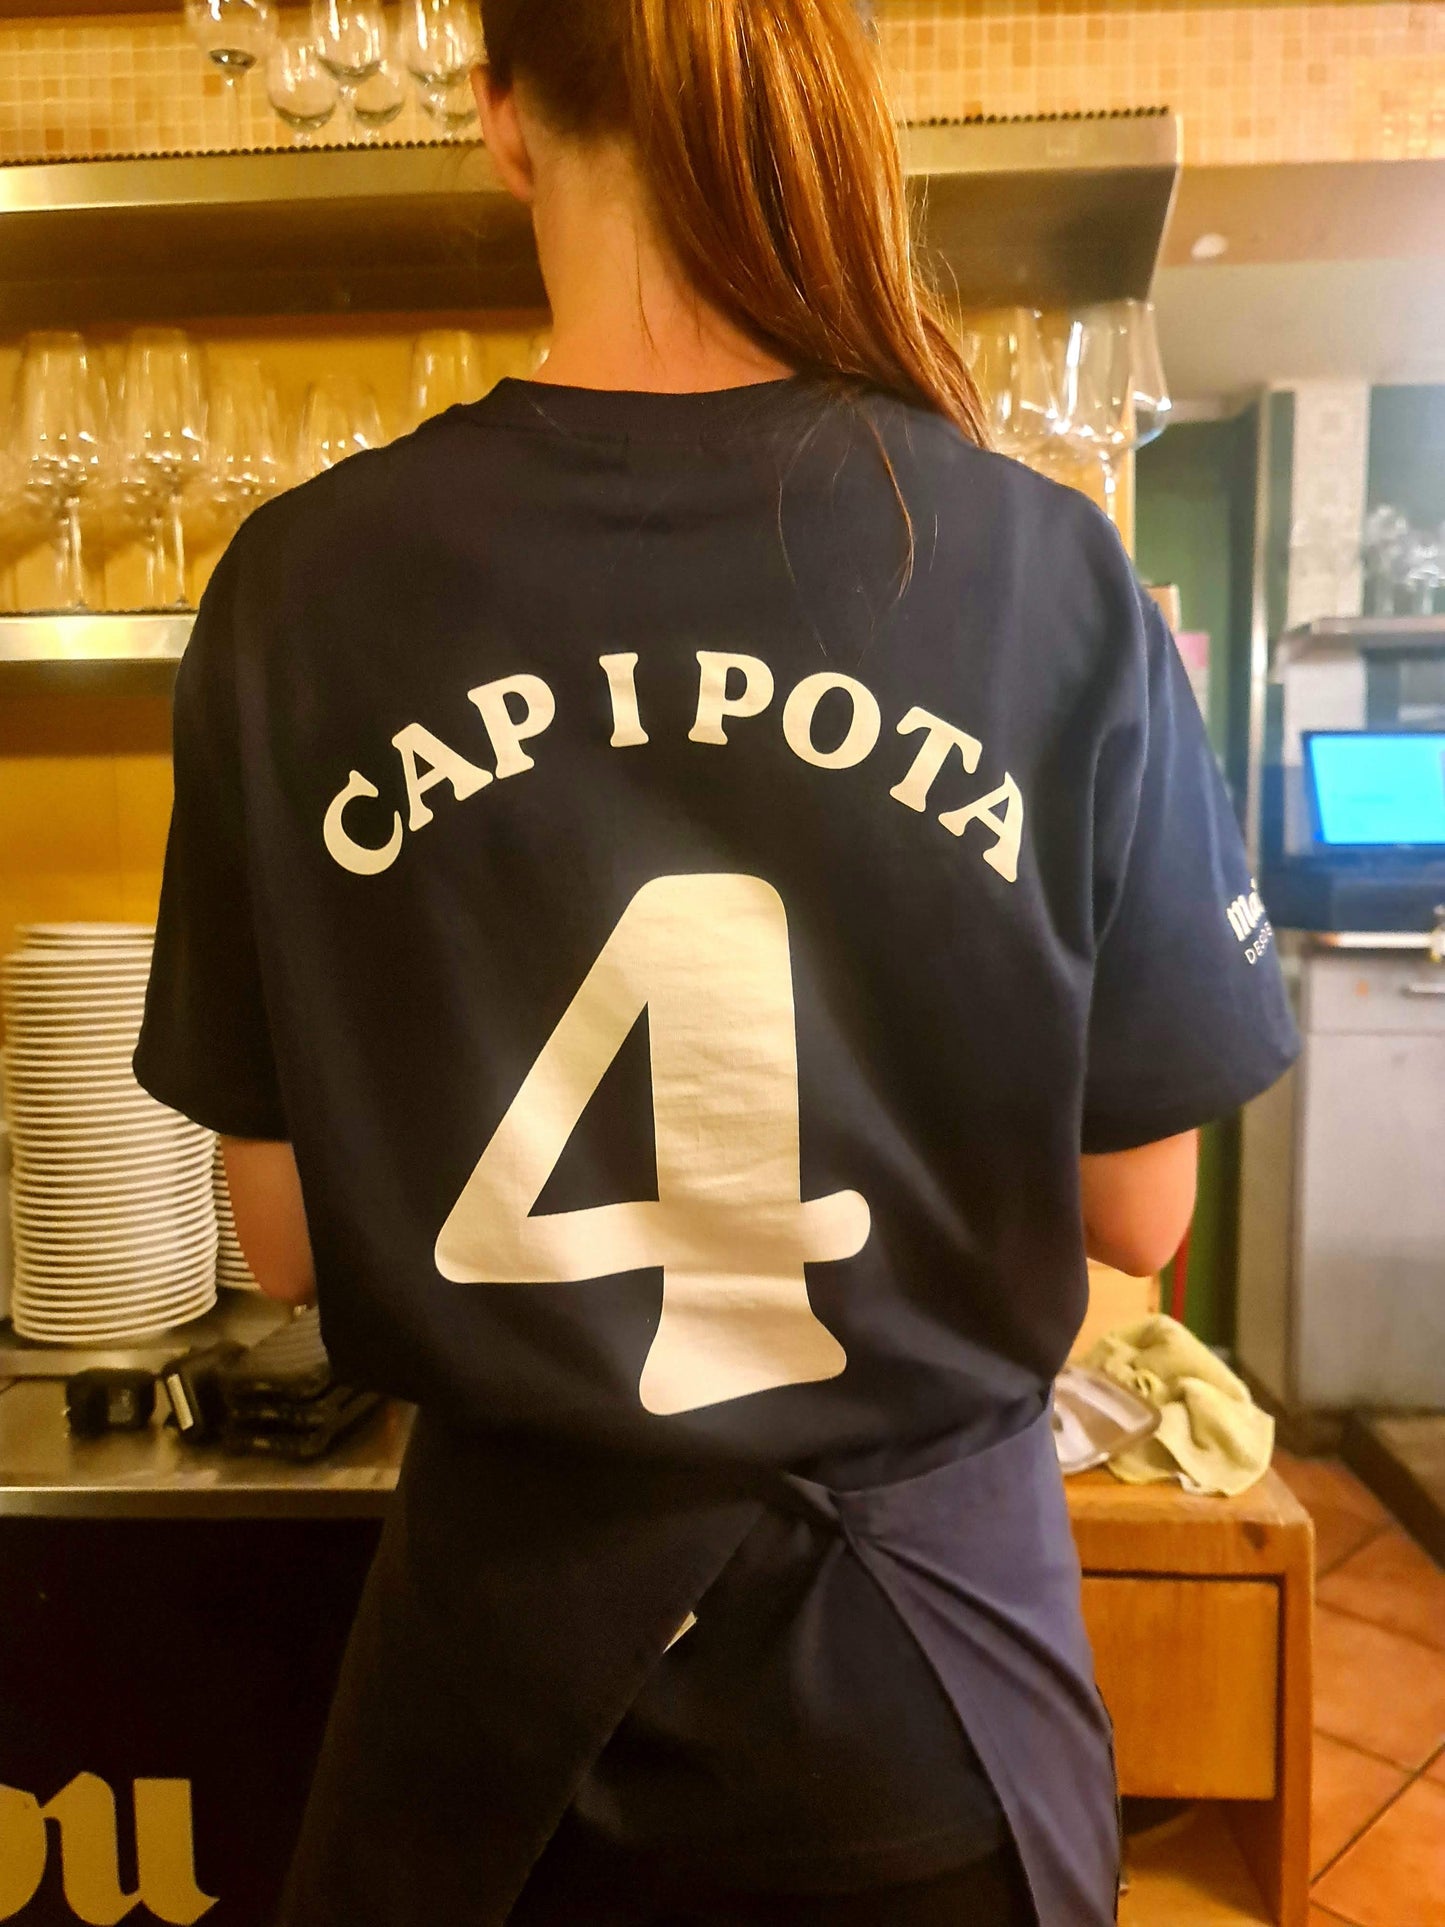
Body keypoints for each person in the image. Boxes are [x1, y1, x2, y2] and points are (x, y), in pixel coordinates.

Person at [134, 1, 1299, 1922]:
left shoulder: (302, 588)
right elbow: (1136, 1210)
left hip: (498, 1708)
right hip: (924, 1692)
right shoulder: (1038, 566)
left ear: (503, 117)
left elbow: (282, 1242)